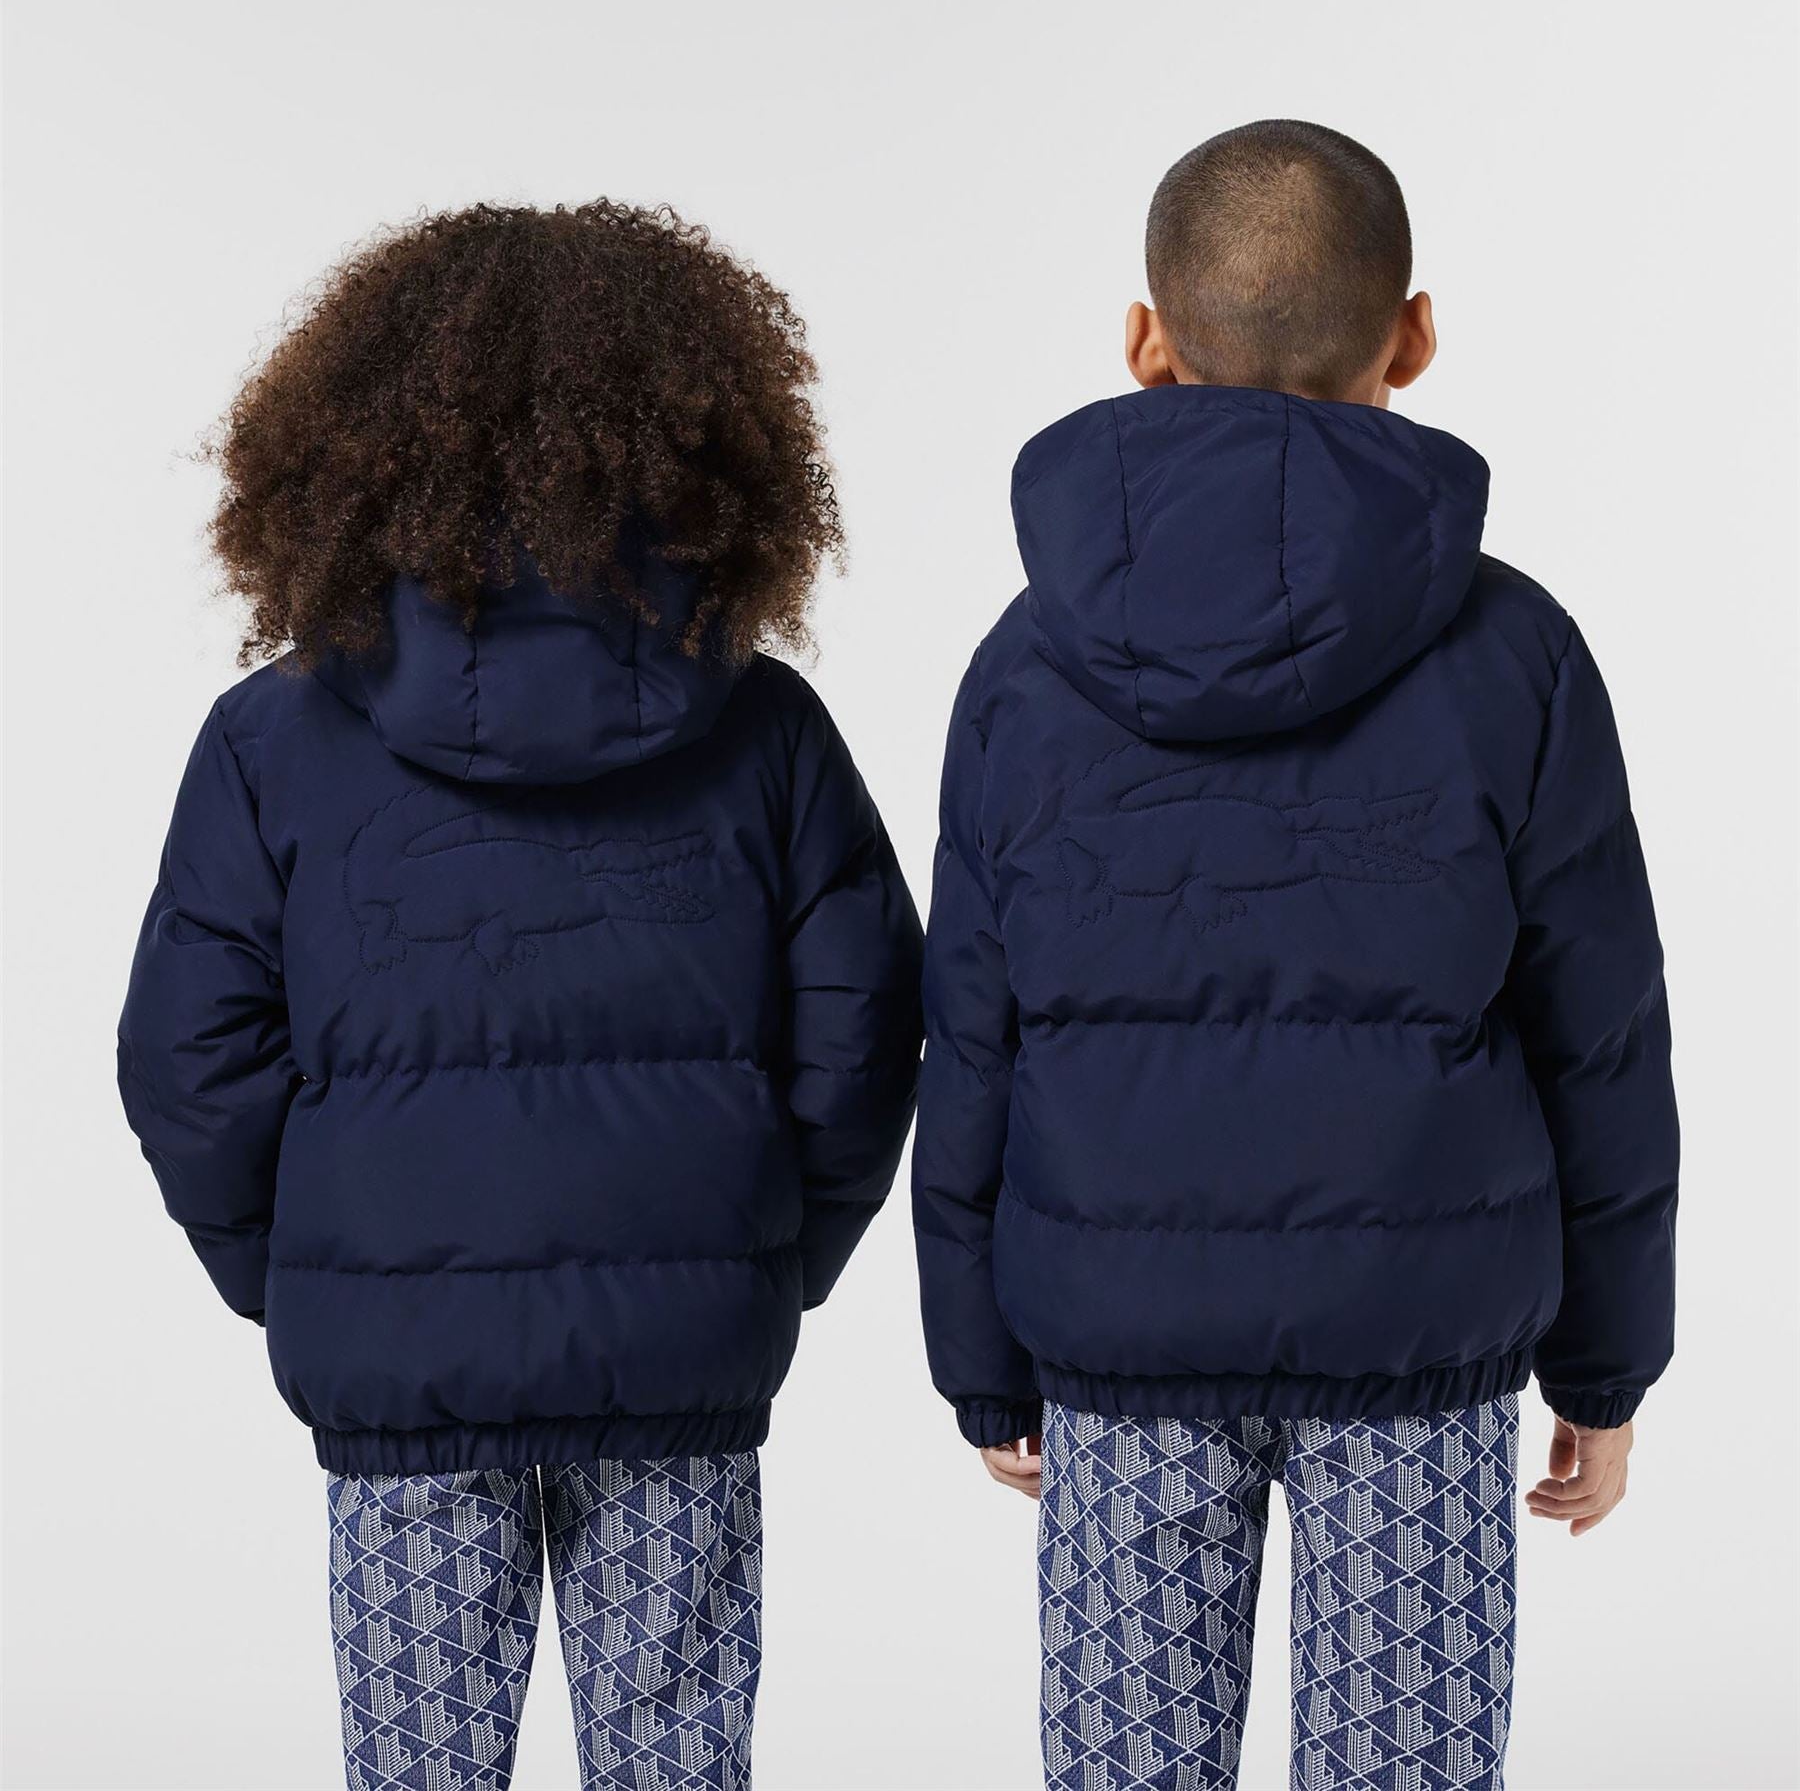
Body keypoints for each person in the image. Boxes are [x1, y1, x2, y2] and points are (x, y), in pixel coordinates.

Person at [118, 201, 923, 1791]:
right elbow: (869, 1030)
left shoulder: (271, 740)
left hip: (401, 1360)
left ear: (346, 446)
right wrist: (765, 1259)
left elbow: (185, 1062)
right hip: (681, 1356)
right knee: (675, 1765)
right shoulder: (766, 730)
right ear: (706, 449)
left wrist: (314, 1274)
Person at [912, 119, 1676, 1791]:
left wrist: (981, 1362)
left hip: (1118, 1338)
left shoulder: (1024, 667)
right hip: (1419, 1346)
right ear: (1413, 335)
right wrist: (1607, 1367)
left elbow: (968, 1030)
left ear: (1144, 341)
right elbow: (1603, 1039)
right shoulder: (1518, 652)